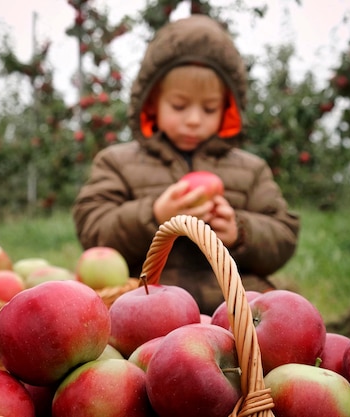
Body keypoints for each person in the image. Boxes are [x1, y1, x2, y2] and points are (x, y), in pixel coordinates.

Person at [73, 14, 300, 315]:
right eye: (179, 106)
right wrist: (155, 215)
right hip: (146, 311)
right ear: (152, 103)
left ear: (227, 108)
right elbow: (93, 227)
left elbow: (283, 236)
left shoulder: (251, 170)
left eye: (209, 108)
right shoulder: (117, 162)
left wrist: (239, 231)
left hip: (232, 314)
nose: (194, 120)